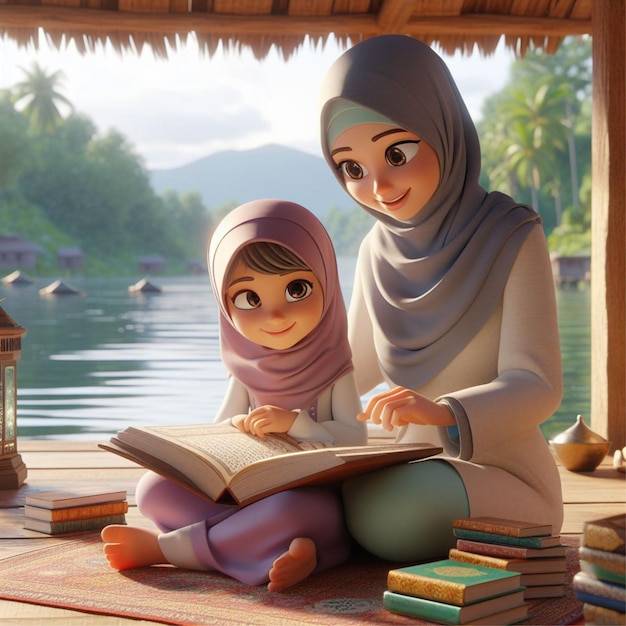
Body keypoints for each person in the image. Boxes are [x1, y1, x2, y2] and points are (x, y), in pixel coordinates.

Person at [318, 34, 564, 562]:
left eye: (397, 153)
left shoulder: (512, 233)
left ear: (442, 129)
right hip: (402, 466)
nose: (379, 186)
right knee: (314, 490)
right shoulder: (373, 250)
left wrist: (444, 411)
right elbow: (351, 366)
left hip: (501, 476)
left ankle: (323, 544)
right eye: (352, 169)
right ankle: (311, 543)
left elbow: (537, 385)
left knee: (387, 511)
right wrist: (281, 402)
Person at [102, 199, 366, 590]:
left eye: (297, 289)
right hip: (247, 498)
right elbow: (218, 433)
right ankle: (296, 553)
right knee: (153, 490)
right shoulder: (243, 372)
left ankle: (168, 551)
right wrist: (235, 428)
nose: (275, 315)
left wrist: (296, 424)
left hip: (311, 499)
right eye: (249, 299)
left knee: (293, 512)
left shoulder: (335, 368)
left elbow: (356, 439)